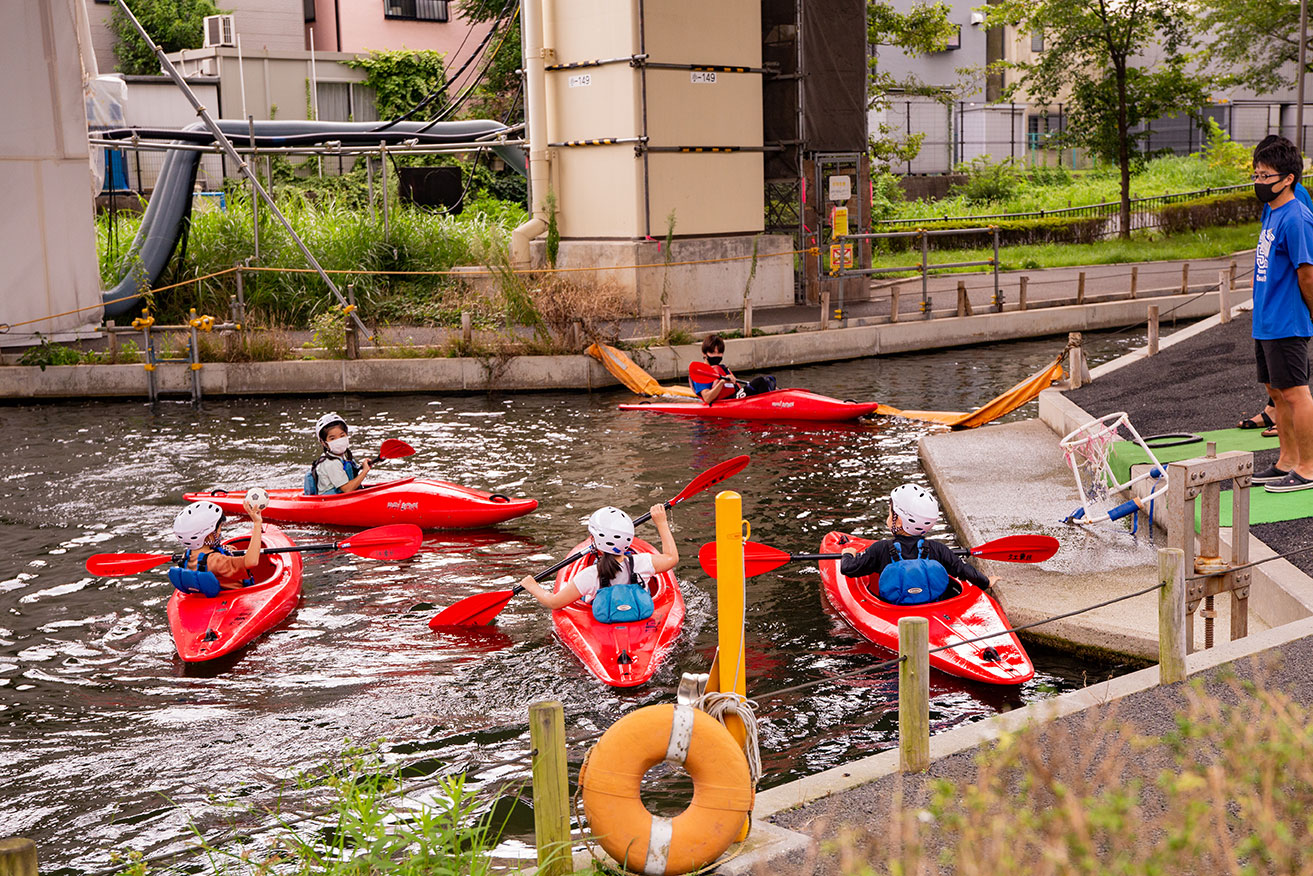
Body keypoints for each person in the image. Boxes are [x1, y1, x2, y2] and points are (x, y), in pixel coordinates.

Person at [1247, 136, 1313, 492]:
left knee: (1296, 393)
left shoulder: (1297, 217)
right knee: (1277, 394)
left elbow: (1307, 271)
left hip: (1287, 319)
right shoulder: (1271, 211)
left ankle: (1308, 466)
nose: (1259, 182)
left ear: (1288, 178)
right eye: (1256, 175)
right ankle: (1286, 459)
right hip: (1266, 319)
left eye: (1266, 175)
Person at [838, 484, 995, 603]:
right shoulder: (938, 549)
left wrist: (847, 554)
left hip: (893, 612)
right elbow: (964, 570)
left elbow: (848, 569)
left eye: (890, 512)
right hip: (933, 609)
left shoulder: (881, 549)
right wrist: (986, 581)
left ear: (898, 521)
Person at [517, 505, 679, 619]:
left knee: (581, 597)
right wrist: (661, 523)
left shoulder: (589, 575)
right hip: (639, 615)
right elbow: (671, 558)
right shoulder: (642, 562)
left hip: (603, 620)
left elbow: (554, 603)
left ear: (596, 541)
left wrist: (532, 586)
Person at [169, 498, 264, 595]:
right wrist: (257, 524)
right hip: (235, 596)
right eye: (219, 529)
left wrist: (225, 549)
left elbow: (209, 555)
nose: (220, 532)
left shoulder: (187, 555)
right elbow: (252, 561)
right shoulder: (217, 561)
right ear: (210, 535)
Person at [689, 334, 776, 404]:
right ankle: (770, 406)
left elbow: (735, 388)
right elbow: (707, 398)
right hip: (726, 402)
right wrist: (722, 382)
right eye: (712, 352)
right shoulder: (701, 373)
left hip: (734, 398)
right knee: (759, 381)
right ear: (704, 354)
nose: (716, 356)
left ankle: (776, 401)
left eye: (719, 353)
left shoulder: (721, 368)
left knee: (770, 380)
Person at [305, 412, 370, 495]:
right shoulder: (331, 463)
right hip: (328, 502)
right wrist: (364, 471)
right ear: (323, 442)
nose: (339, 440)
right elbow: (347, 489)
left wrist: (364, 466)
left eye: (342, 436)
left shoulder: (343, 457)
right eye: (332, 438)